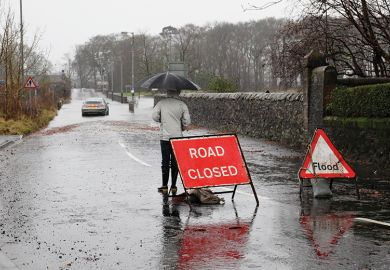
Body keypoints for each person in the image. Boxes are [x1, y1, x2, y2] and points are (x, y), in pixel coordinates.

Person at [152, 89, 191, 194]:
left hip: (165, 137)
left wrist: (161, 119)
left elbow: (154, 116)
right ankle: (173, 186)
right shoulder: (182, 105)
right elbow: (187, 121)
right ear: (178, 93)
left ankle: (164, 186)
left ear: (167, 92)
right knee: (175, 162)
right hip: (177, 137)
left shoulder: (161, 103)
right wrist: (182, 123)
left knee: (165, 162)